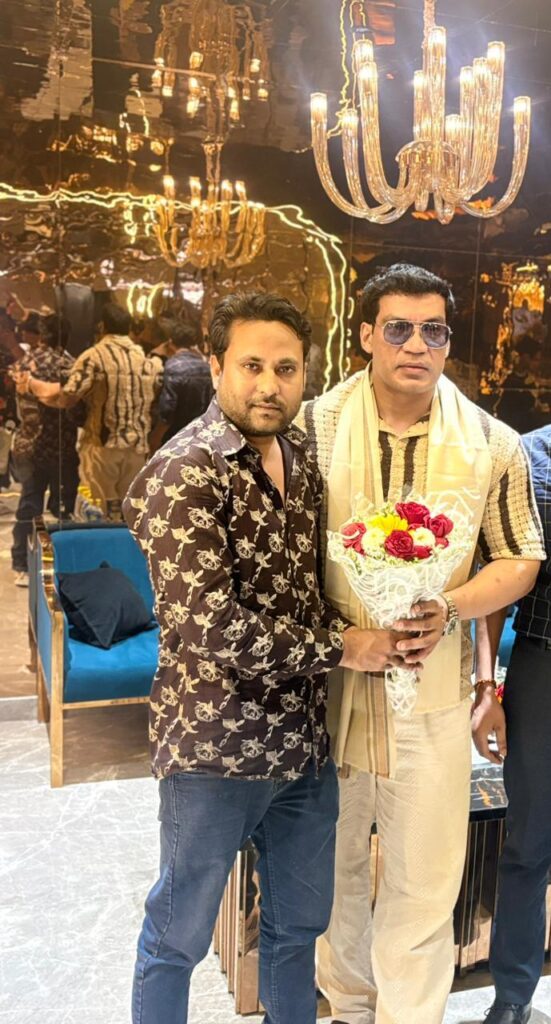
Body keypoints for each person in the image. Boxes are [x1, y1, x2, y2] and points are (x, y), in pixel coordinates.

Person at [122, 292, 393, 1024]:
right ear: (216, 367)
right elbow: (210, 626)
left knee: (296, 929)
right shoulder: (184, 471)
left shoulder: (300, 458)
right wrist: (344, 646)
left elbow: (305, 593)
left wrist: (381, 617)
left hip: (302, 744)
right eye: (251, 366)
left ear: (306, 374)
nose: (269, 385)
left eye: (286, 368)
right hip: (215, 746)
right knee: (177, 934)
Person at [297, 263, 545, 1024]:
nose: (416, 345)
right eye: (398, 328)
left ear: (447, 340)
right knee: (329, 871)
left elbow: (520, 559)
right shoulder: (311, 428)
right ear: (366, 335)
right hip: (328, 689)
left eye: (432, 330)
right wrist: (343, 636)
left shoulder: (492, 443)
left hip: (432, 695)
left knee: (426, 878)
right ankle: (348, 1008)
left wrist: (448, 606)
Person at [480, 424, 551, 1024]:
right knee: (528, 842)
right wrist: (487, 688)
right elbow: (499, 576)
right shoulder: (529, 455)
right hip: (542, 663)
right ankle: (513, 997)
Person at [17, 301, 162, 512]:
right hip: (137, 448)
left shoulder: (94, 356)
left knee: (100, 511)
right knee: (130, 511)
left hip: (102, 447)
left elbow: (66, 398)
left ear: (102, 327)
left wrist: (31, 385)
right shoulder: (144, 358)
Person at [10, 314, 78, 586]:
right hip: (63, 446)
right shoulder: (71, 365)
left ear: (41, 334)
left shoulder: (26, 363)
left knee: (29, 506)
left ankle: (22, 564)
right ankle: (63, 561)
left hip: (30, 444)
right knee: (63, 511)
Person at [153, 316, 213, 442]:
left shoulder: (173, 366)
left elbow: (167, 411)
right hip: (201, 433)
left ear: (170, 342)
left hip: (176, 435)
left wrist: (155, 440)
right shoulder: (206, 366)